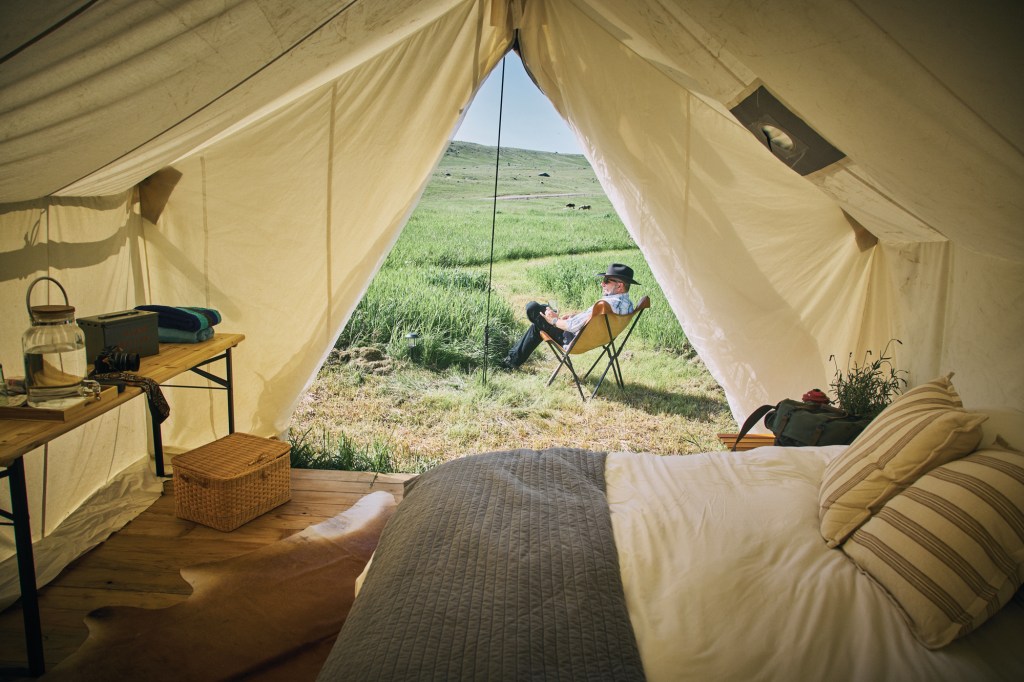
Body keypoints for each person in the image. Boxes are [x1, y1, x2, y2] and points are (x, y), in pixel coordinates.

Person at [502, 263, 640, 370]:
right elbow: (591, 320)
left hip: (573, 340)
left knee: (533, 308)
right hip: (598, 339)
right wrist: (574, 316)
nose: (602, 283)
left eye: (607, 280)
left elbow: (572, 327)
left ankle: (511, 361)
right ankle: (512, 360)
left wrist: (554, 320)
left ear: (620, 286)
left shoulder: (605, 304)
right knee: (539, 323)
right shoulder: (628, 305)